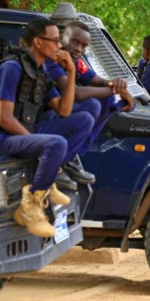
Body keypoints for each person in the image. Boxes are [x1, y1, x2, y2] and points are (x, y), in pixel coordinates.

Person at [0, 18, 95, 238]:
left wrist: (72, 71)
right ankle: (30, 207)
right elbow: (4, 119)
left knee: (83, 119)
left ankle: (51, 176)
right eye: (55, 40)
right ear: (37, 42)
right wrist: (36, 144)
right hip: (2, 138)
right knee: (56, 143)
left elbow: (64, 111)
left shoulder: (41, 73)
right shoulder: (12, 68)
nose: (59, 46)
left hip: (25, 134)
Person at [44, 20, 134, 189]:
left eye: (84, 46)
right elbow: (76, 93)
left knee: (106, 101)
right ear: (63, 38)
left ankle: (71, 157)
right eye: (75, 42)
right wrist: (114, 90)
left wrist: (120, 88)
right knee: (92, 105)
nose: (79, 49)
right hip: (45, 118)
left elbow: (98, 81)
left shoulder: (76, 61)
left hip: (62, 116)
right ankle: (57, 165)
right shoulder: (52, 59)